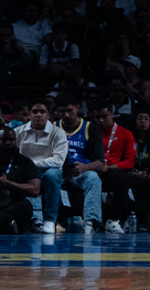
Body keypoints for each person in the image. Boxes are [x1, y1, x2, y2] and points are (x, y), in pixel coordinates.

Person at [55, 93, 106, 234]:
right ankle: (47, 221)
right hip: (58, 172)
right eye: (62, 111)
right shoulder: (53, 128)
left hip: (81, 172)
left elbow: (100, 164)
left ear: (78, 108)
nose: (66, 115)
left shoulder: (90, 128)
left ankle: (91, 222)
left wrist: (85, 167)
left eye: (69, 110)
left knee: (93, 178)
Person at [14, 100, 67, 234]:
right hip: (25, 171)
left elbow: (58, 160)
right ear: (29, 115)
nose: (38, 115)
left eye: (42, 112)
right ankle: (33, 219)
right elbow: (13, 155)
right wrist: (28, 168)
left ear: (48, 115)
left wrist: (32, 164)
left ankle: (49, 221)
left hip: (48, 170)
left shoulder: (58, 133)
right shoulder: (18, 132)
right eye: (34, 112)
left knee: (52, 175)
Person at [90, 103, 134, 234]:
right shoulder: (89, 130)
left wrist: (111, 166)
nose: (101, 120)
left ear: (112, 114)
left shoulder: (125, 133)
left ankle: (113, 220)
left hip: (111, 170)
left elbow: (130, 161)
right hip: (91, 168)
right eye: (97, 117)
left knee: (122, 180)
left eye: (104, 116)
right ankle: (85, 221)